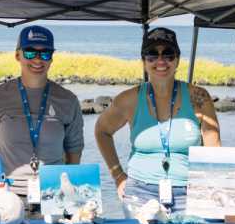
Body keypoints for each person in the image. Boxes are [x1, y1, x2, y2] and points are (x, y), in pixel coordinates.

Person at [95, 27, 221, 212]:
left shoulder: (199, 98)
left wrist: (211, 189)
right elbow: (102, 131)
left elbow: (214, 149)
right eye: (152, 55)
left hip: (189, 192)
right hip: (139, 192)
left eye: (168, 54)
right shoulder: (128, 99)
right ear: (143, 62)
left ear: (177, 60)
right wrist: (118, 175)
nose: (160, 61)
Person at [0, 25, 84, 210]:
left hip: (54, 194)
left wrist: (65, 193)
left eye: (45, 54)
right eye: (30, 52)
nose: (37, 59)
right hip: (7, 196)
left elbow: (74, 152)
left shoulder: (68, 100)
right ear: (18, 55)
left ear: (51, 59)